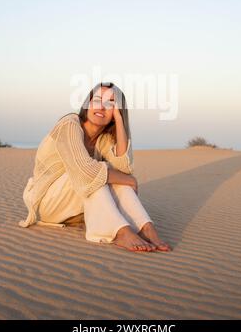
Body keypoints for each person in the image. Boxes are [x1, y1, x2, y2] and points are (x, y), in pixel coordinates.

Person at [19, 82, 171, 252]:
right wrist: (129, 180)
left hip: (72, 211)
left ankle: (145, 227)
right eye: (97, 99)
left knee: (110, 173)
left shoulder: (103, 139)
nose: (102, 106)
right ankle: (120, 232)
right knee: (97, 171)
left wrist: (120, 121)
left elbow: (123, 168)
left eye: (110, 103)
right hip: (46, 204)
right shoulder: (69, 125)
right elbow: (86, 172)